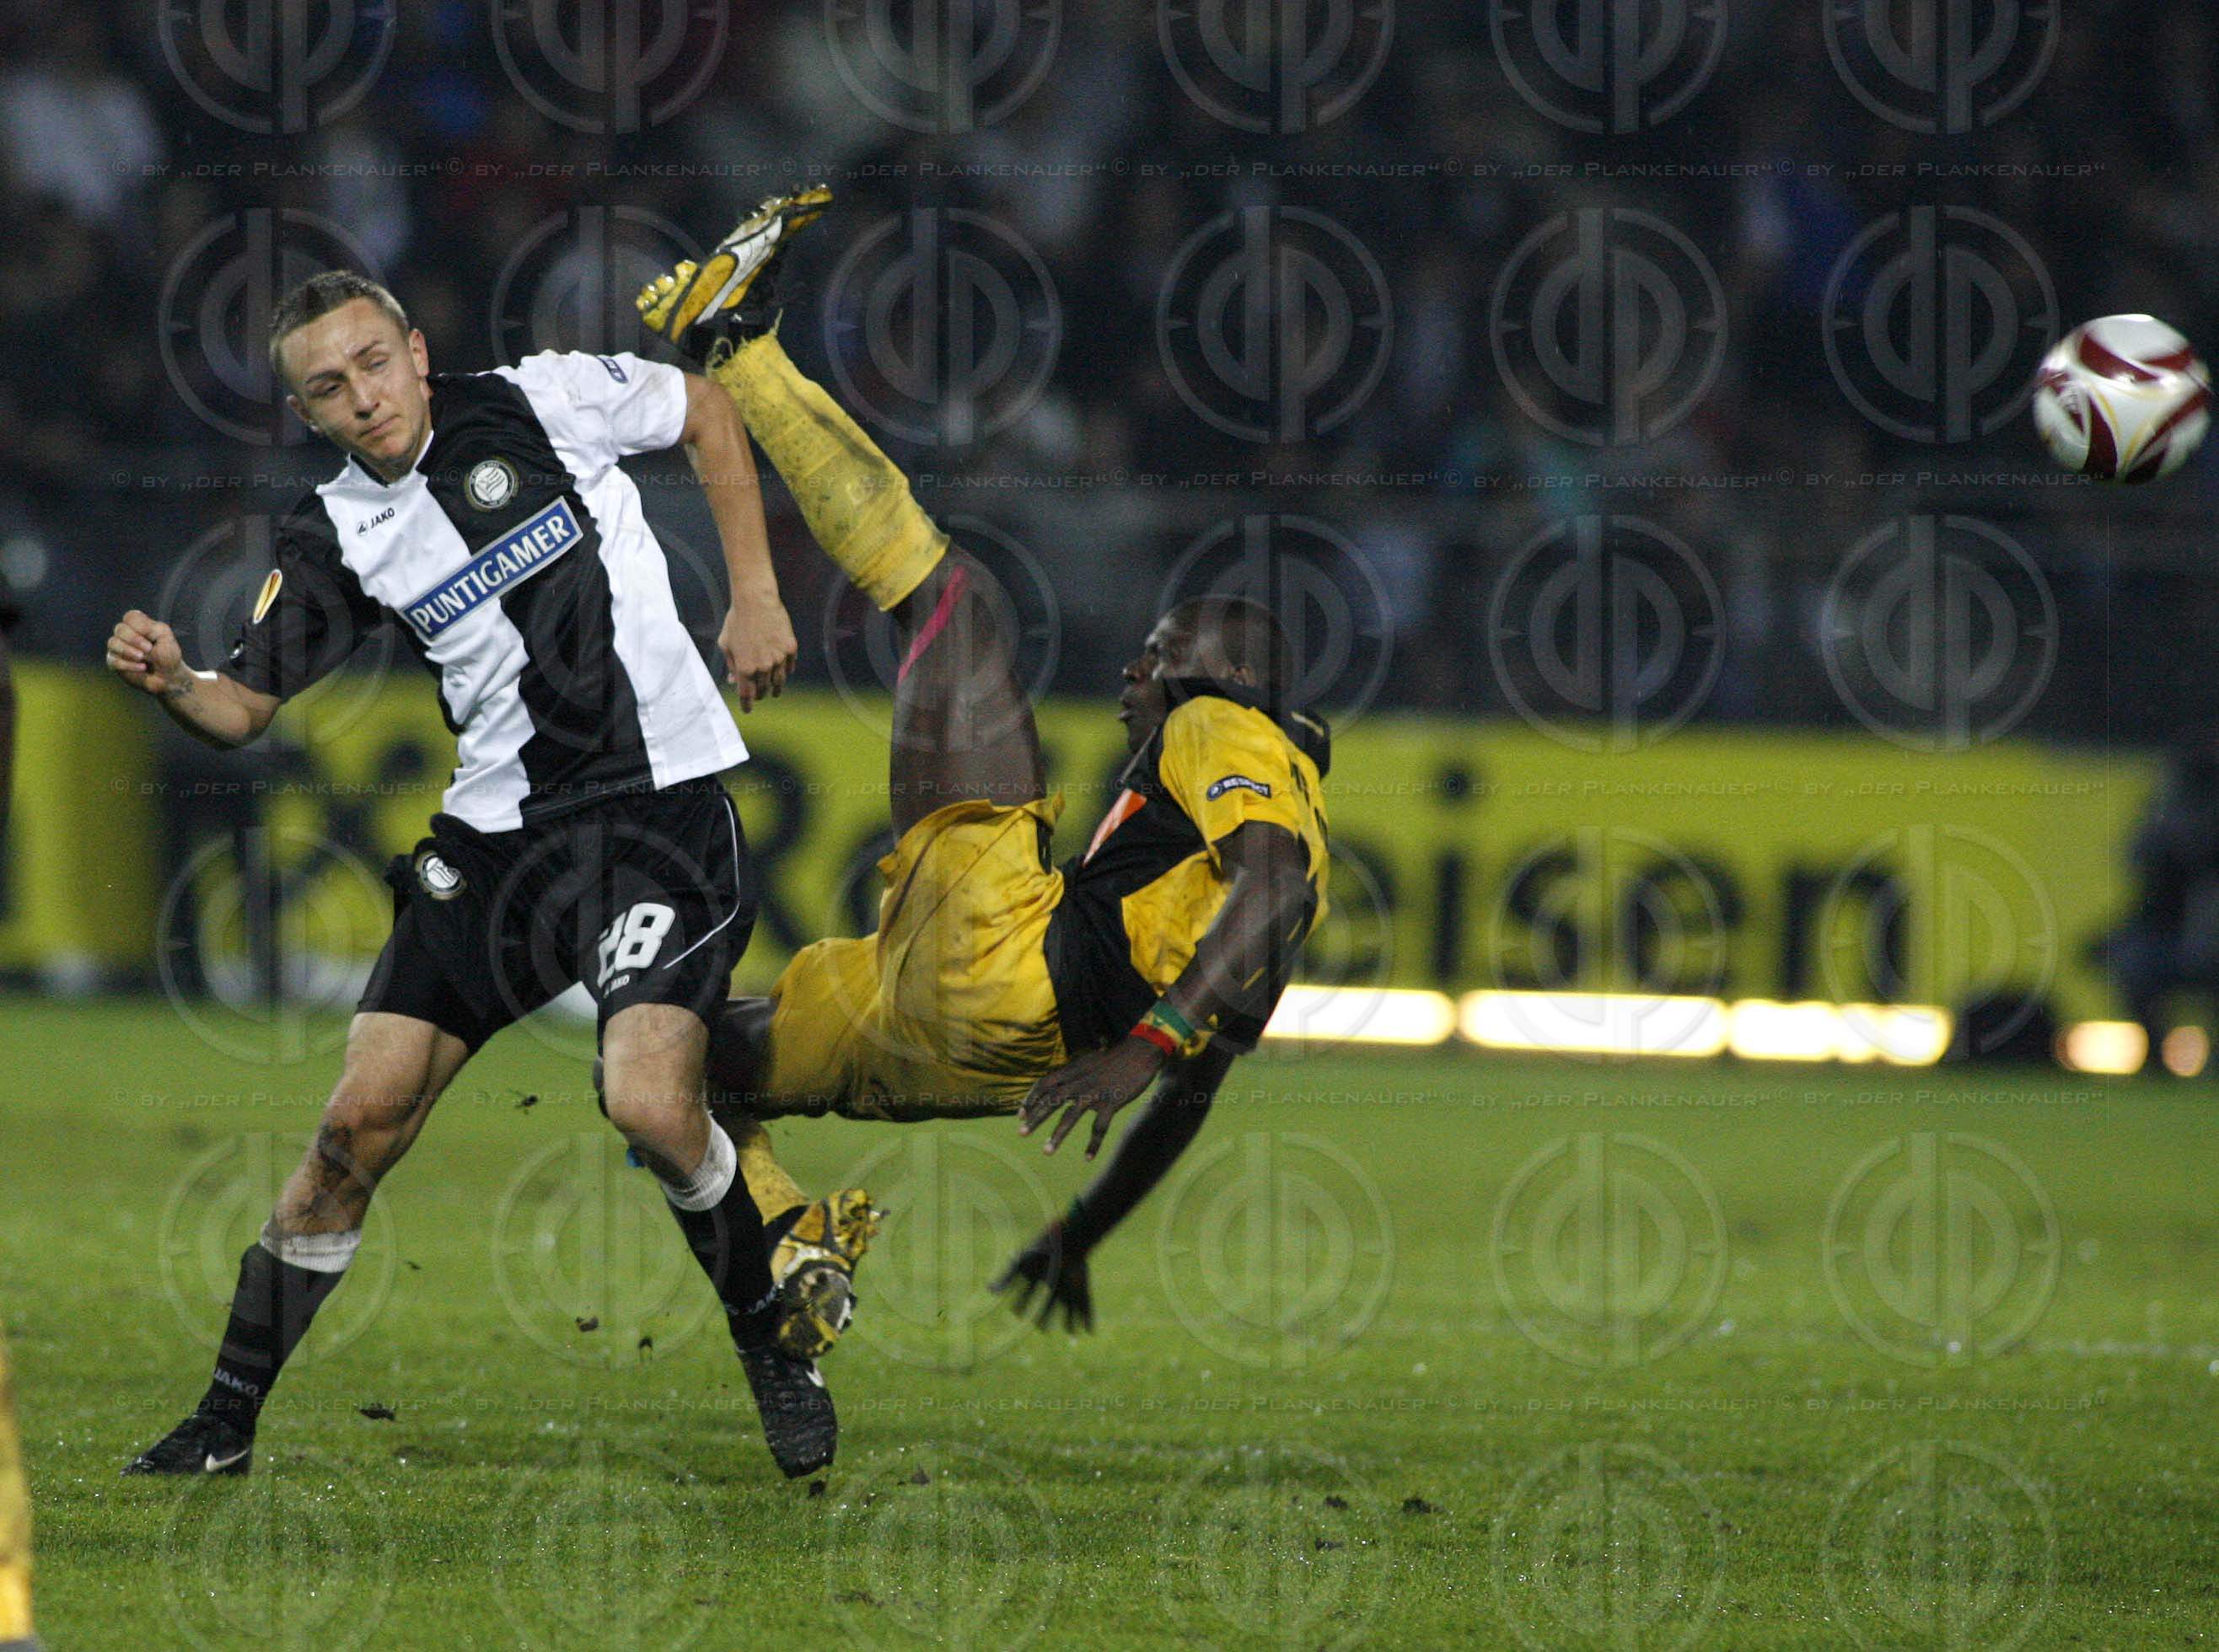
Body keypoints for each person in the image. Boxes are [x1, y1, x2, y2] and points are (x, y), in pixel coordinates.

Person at [107, 196, 842, 1480]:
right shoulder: (334, 532)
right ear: (310, 412)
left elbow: (708, 411)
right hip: (500, 849)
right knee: (354, 1130)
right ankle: (222, 1423)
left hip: (658, 813)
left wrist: (760, 592)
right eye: (329, 389)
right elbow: (242, 707)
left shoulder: (543, 401)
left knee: (647, 1100)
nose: (363, 399)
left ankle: (776, 1342)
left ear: (415, 349)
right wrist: (175, 680)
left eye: (375, 365)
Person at [633, 190, 1332, 1355]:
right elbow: (1189, 1097)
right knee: (678, 1075)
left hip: (1010, 971)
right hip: (972, 1060)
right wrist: (1083, 1231)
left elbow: (1276, 884)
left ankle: (732, 348)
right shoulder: (1239, 927)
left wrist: (1145, 1042)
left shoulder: (1227, 726)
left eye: (1156, 658)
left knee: (957, 605)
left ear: (1216, 674)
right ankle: (791, 1240)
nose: (1134, 675)